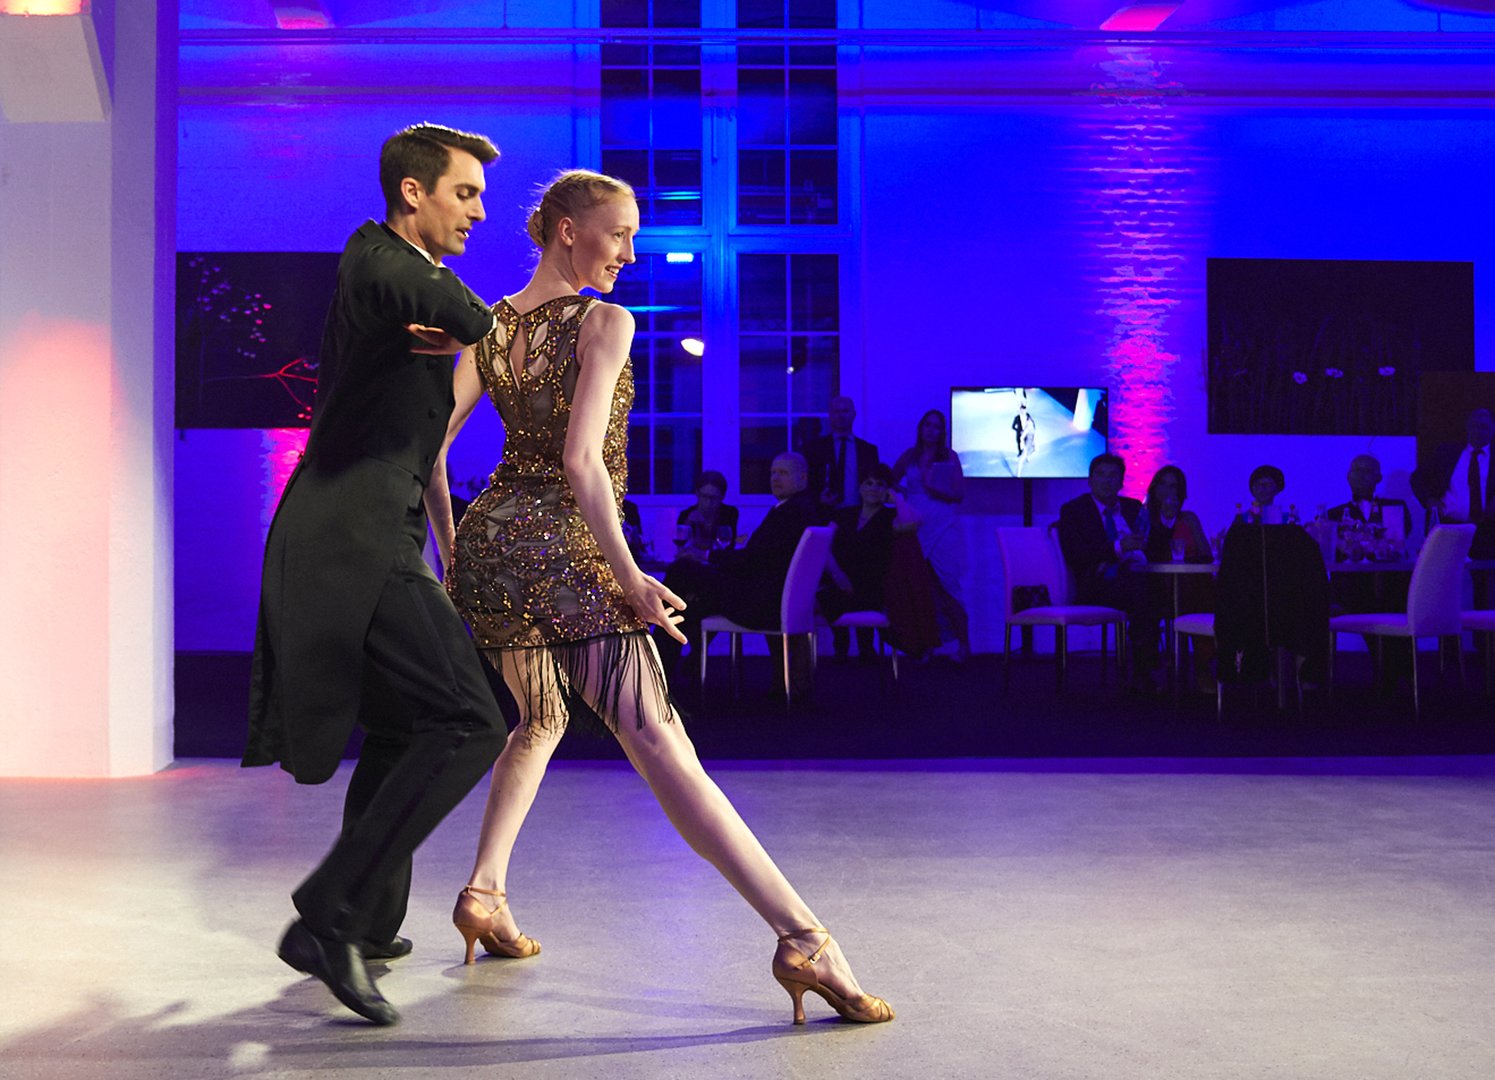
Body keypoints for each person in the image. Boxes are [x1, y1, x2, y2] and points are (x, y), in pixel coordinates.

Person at [429, 170, 891, 1024]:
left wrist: (455, 551)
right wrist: (629, 576)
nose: (629, 254)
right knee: (661, 745)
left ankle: (484, 894)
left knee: (540, 720)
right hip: (566, 552)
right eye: (618, 234)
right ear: (567, 230)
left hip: (493, 549)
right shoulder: (604, 321)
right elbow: (581, 462)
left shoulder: (490, 327)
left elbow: (427, 450)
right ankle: (803, 938)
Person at [243, 124, 509, 1027]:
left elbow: (425, 429)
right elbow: (474, 319)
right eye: (465, 193)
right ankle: (327, 917)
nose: (478, 212)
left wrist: (446, 539)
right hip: (347, 536)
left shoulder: (401, 288)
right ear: (412, 193)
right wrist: (471, 328)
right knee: (471, 721)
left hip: (375, 529)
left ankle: (365, 921)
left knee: (407, 723)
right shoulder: (376, 262)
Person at [658, 451, 825, 678]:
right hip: (768, 596)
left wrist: (705, 556)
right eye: (773, 473)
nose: (775, 478)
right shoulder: (800, 509)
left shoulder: (792, 512)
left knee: (681, 571)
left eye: (783, 473)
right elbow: (759, 558)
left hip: (761, 603)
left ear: (803, 478)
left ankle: (659, 665)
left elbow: (755, 560)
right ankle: (676, 664)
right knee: (690, 601)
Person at [1056, 453, 1157, 690]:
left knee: (1157, 589)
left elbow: (1152, 543)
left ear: (1121, 481)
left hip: (1137, 576)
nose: (1107, 481)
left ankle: (1157, 665)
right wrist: (1119, 548)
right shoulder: (1074, 510)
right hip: (1096, 584)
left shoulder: (1133, 508)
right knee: (1143, 591)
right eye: (1100, 475)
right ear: (1090, 480)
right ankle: (1144, 671)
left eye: (1113, 476)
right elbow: (1076, 554)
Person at [891, 409, 970, 663]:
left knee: (949, 585)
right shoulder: (910, 455)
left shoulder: (949, 456)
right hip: (916, 525)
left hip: (943, 523)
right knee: (922, 587)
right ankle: (927, 644)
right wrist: (906, 495)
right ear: (921, 428)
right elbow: (889, 480)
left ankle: (963, 645)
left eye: (936, 426)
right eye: (927, 425)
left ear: (942, 431)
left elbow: (959, 494)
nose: (931, 430)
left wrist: (933, 488)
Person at [819, 463, 909, 661]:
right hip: (839, 579)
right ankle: (841, 645)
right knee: (823, 594)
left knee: (865, 595)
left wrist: (897, 499)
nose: (873, 488)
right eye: (868, 483)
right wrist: (837, 574)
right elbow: (823, 545)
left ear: (886, 489)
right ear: (860, 487)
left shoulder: (890, 517)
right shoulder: (843, 514)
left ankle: (866, 647)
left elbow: (912, 523)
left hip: (871, 583)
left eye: (879, 484)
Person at [805, 396, 881, 511]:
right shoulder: (814, 448)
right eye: (837, 411)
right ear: (830, 415)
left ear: (854, 414)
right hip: (823, 512)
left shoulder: (868, 450)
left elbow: (875, 483)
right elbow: (806, 482)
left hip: (859, 513)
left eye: (845, 411)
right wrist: (818, 497)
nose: (841, 416)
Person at [1327, 454, 1413, 551]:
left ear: (1379, 477)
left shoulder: (1396, 508)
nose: (1360, 476)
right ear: (1348, 476)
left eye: (1367, 471)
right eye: (1356, 471)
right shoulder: (1333, 515)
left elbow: (1399, 543)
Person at [672, 468, 739, 564]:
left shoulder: (729, 513)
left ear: (722, 497)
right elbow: (682, 549)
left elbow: (728, 547)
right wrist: (688, 523)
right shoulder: (686, 514)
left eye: (713, 498)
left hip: (719, 564)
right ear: (697, 493)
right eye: (704, 496)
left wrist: (705, 527)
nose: (708, 502)